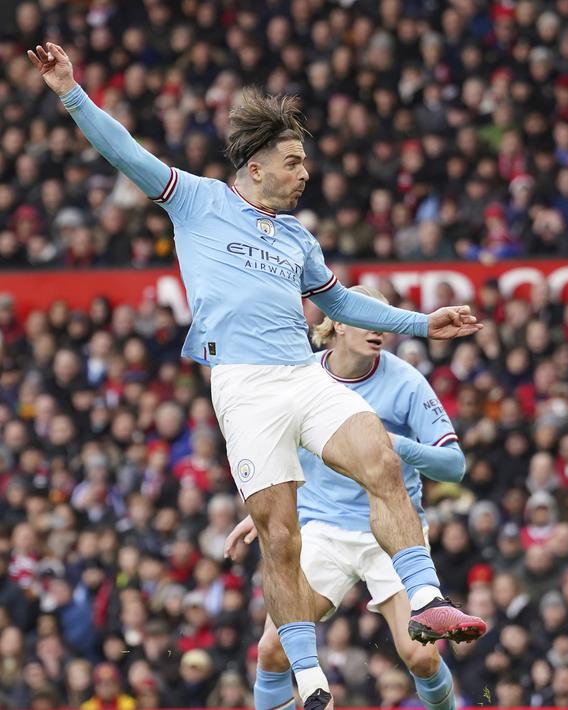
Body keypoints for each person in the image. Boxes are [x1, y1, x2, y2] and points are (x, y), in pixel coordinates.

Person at [27, 42, 484, 710]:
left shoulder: (298, 237)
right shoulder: (198, 201)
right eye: (294, 161)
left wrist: (421, 322)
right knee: (280, 536)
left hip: (301, 373)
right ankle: (309, 681)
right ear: (257, 165)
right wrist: (70, 92)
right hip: (242, 387)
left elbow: (338, 303)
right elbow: (123, 150)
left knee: (381, 458)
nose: (304, 173)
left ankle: (428, 598)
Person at [225, 286, 470, 710]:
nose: (377, 329)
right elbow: (287, 452)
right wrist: (263, 512)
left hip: (391, 535)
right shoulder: (302, 379)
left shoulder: (406, 382)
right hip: (323, 530)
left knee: (421, 656)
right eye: (365, 317)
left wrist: (391, 444)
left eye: (384, 319)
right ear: (337, 321)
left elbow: (454, 466)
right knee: (272, 650)